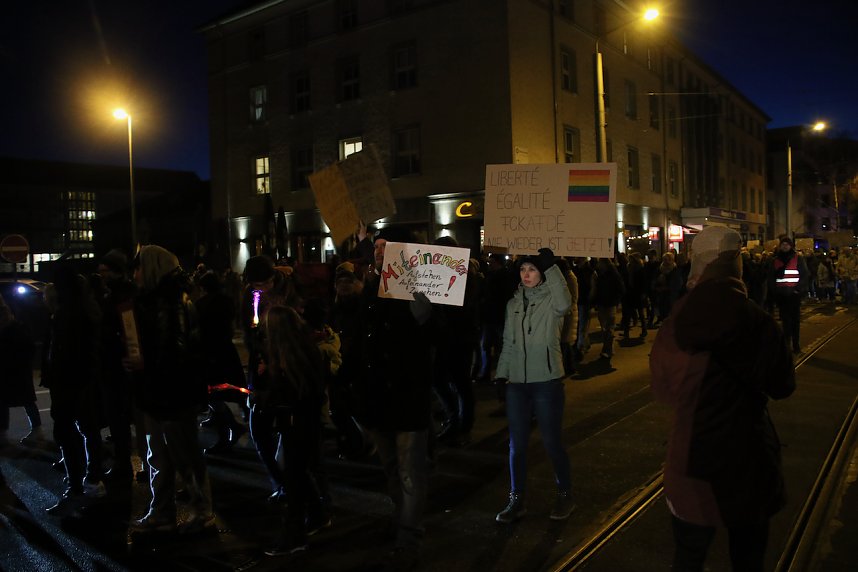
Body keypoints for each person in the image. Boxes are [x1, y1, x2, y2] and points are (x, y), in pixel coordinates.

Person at [650, 226, 795, 571]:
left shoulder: (675, 324)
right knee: (748, 558)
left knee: (689, 556)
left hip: (692, 460)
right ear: (736, 267)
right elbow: (783, 386)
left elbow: (664, 389)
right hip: (748, 460)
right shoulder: (760, 323)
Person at [340, 226, 434, 571]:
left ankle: (409, 537)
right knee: (391, 469)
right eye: (377, 247)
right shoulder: (369, 286)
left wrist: (408, 282)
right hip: (377, 397)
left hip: (407, 395)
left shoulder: (419, 285)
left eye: (387, 247)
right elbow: (362, 339)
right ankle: (402, 518)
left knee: (410, 472)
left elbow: (423, 320)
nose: (380, 252)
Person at [129, 245, 214, 534]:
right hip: (160, 392)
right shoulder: (155, 299)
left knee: (182, 455)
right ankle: (162, 512)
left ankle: (201, 512)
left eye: (139, 267)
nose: (135, 273)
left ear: (152, 268)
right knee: (160, 456)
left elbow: (174, 354)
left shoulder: (172, 301)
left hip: (173, 394)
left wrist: (144, 362)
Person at [494, 248, 574, 524]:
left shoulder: (553, 300)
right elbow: (508, 342)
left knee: (552, 442)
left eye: (532, 269)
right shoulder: (512, 303)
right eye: (523, 270)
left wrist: (551, 267)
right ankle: (516, 499)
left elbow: (566, 303)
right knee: (517, 445)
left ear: (542, 274)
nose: (526, 275)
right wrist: (501, 374)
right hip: (517, 383)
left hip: (546, 382)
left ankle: (565, 492)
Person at [261, 305, 328, 557]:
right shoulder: (302, 348)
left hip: (297, 423)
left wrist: (268, 397)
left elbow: (294, 393)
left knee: (294, 478)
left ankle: (295, 535)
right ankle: (318, 515)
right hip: (303, 422)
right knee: (297, 473)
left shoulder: (291, 356)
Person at [42, 265, 106, 516]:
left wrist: (57, 377)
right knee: (87, 430)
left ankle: (78, 487)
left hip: (70, 383)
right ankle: (89, 480)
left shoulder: (69, 314)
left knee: (70, 434)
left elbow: (64, 353)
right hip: (79, 382)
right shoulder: (83, 310)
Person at [95, 248, 141, 482]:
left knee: (125, 418)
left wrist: (130, 353)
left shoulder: (123, 296)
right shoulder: (113, 294)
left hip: (121, 366)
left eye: (105, 272)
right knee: (121, 419)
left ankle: (128, 464)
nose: (101, 276)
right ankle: (127, 461)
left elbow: (129, 331)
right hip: (114, 364)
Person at [195, 271, 247, 454]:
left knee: (213, 393)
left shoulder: (201, 305)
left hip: (210, 352)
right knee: (227, 389)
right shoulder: (226, 301)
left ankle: (227, 431)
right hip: (226, 349)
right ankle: (233, 424)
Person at [0, 294, 43, 447]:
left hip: (11, 368)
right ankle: (36, 430)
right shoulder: (15, 325)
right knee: (25, 399)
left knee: (7, 401)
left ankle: (4, 432)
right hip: (17, 369)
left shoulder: (11, 328)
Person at [768, 236, 809, 353]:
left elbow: (804, 275)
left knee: (795, 320)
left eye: (787, 244)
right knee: (785, 320)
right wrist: (774, 292)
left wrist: (798, 290)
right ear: (780, 246)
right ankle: (787, 343)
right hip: (781, 295)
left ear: (791, 246)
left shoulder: (798, 258)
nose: (785, 246)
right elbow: (771, 278)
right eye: (783, 244)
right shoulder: (775, 260)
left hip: (794, 295)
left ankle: (796, 343)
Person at [591, 258, 624, 360]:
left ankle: (607, 349)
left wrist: (616, 300)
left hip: (610, 304)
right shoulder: (600, 275)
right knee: (605, 328)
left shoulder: (613, 275)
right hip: (602, 304)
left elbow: (621, 288)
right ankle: (608, 348)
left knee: (609, 328)